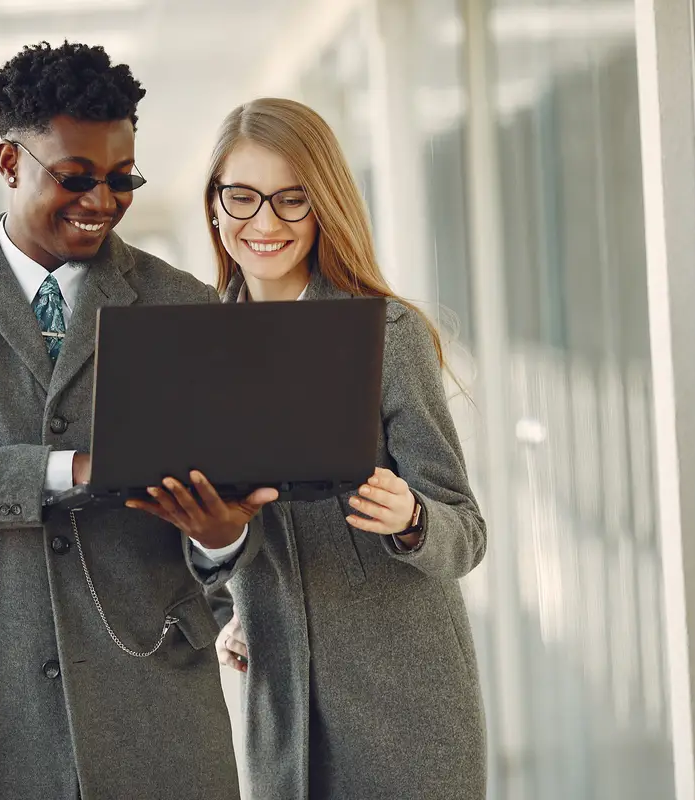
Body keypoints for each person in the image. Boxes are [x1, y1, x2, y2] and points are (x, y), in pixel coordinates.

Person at [0, 42, 275, 799]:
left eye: (121, 179)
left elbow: (227, 513)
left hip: (150, 697)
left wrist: (220, 536)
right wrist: (65, 470)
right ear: (10, 162)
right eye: (76, 178)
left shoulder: (188, 308)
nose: (101, 201)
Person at [136, 97, 488, 798]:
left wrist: (412, 517)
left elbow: (466, 533)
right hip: (281, 706)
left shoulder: (388, 336)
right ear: (213, 204)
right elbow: (188, 547)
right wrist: (229, 595)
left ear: (323, 205)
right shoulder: (189, 353)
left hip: (404, 706)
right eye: (242, 197)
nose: (264, 223)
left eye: (291, 200)